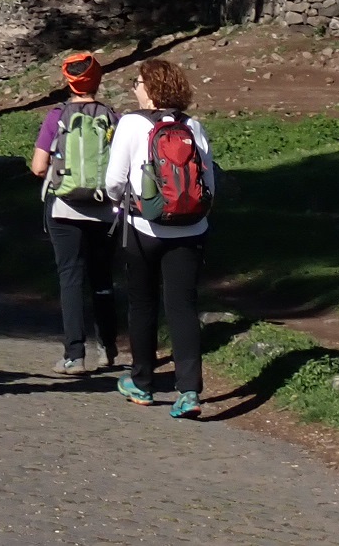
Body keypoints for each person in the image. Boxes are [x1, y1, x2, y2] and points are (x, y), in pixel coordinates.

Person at [107, 59, 215, 419]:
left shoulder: (131, 124)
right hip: (191, 229)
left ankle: (142, 383)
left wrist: (124, 201)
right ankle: (189, 392)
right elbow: (209, 186)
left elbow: (114, 180)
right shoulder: (193, 126)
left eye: (137, 82)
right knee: (183, 307)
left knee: (142, 304)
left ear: (151, 89)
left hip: (144, 229)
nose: (134, 88)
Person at [29, 51, 120, 376]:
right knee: (102, 278)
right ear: (98, 80)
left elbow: (38, 167)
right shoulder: (113, 117)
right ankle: (108, 349)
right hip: (105, 210)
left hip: (64, 208)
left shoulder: (57, 116)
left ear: (68, 82)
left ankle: (74, 355)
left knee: (70, 278)